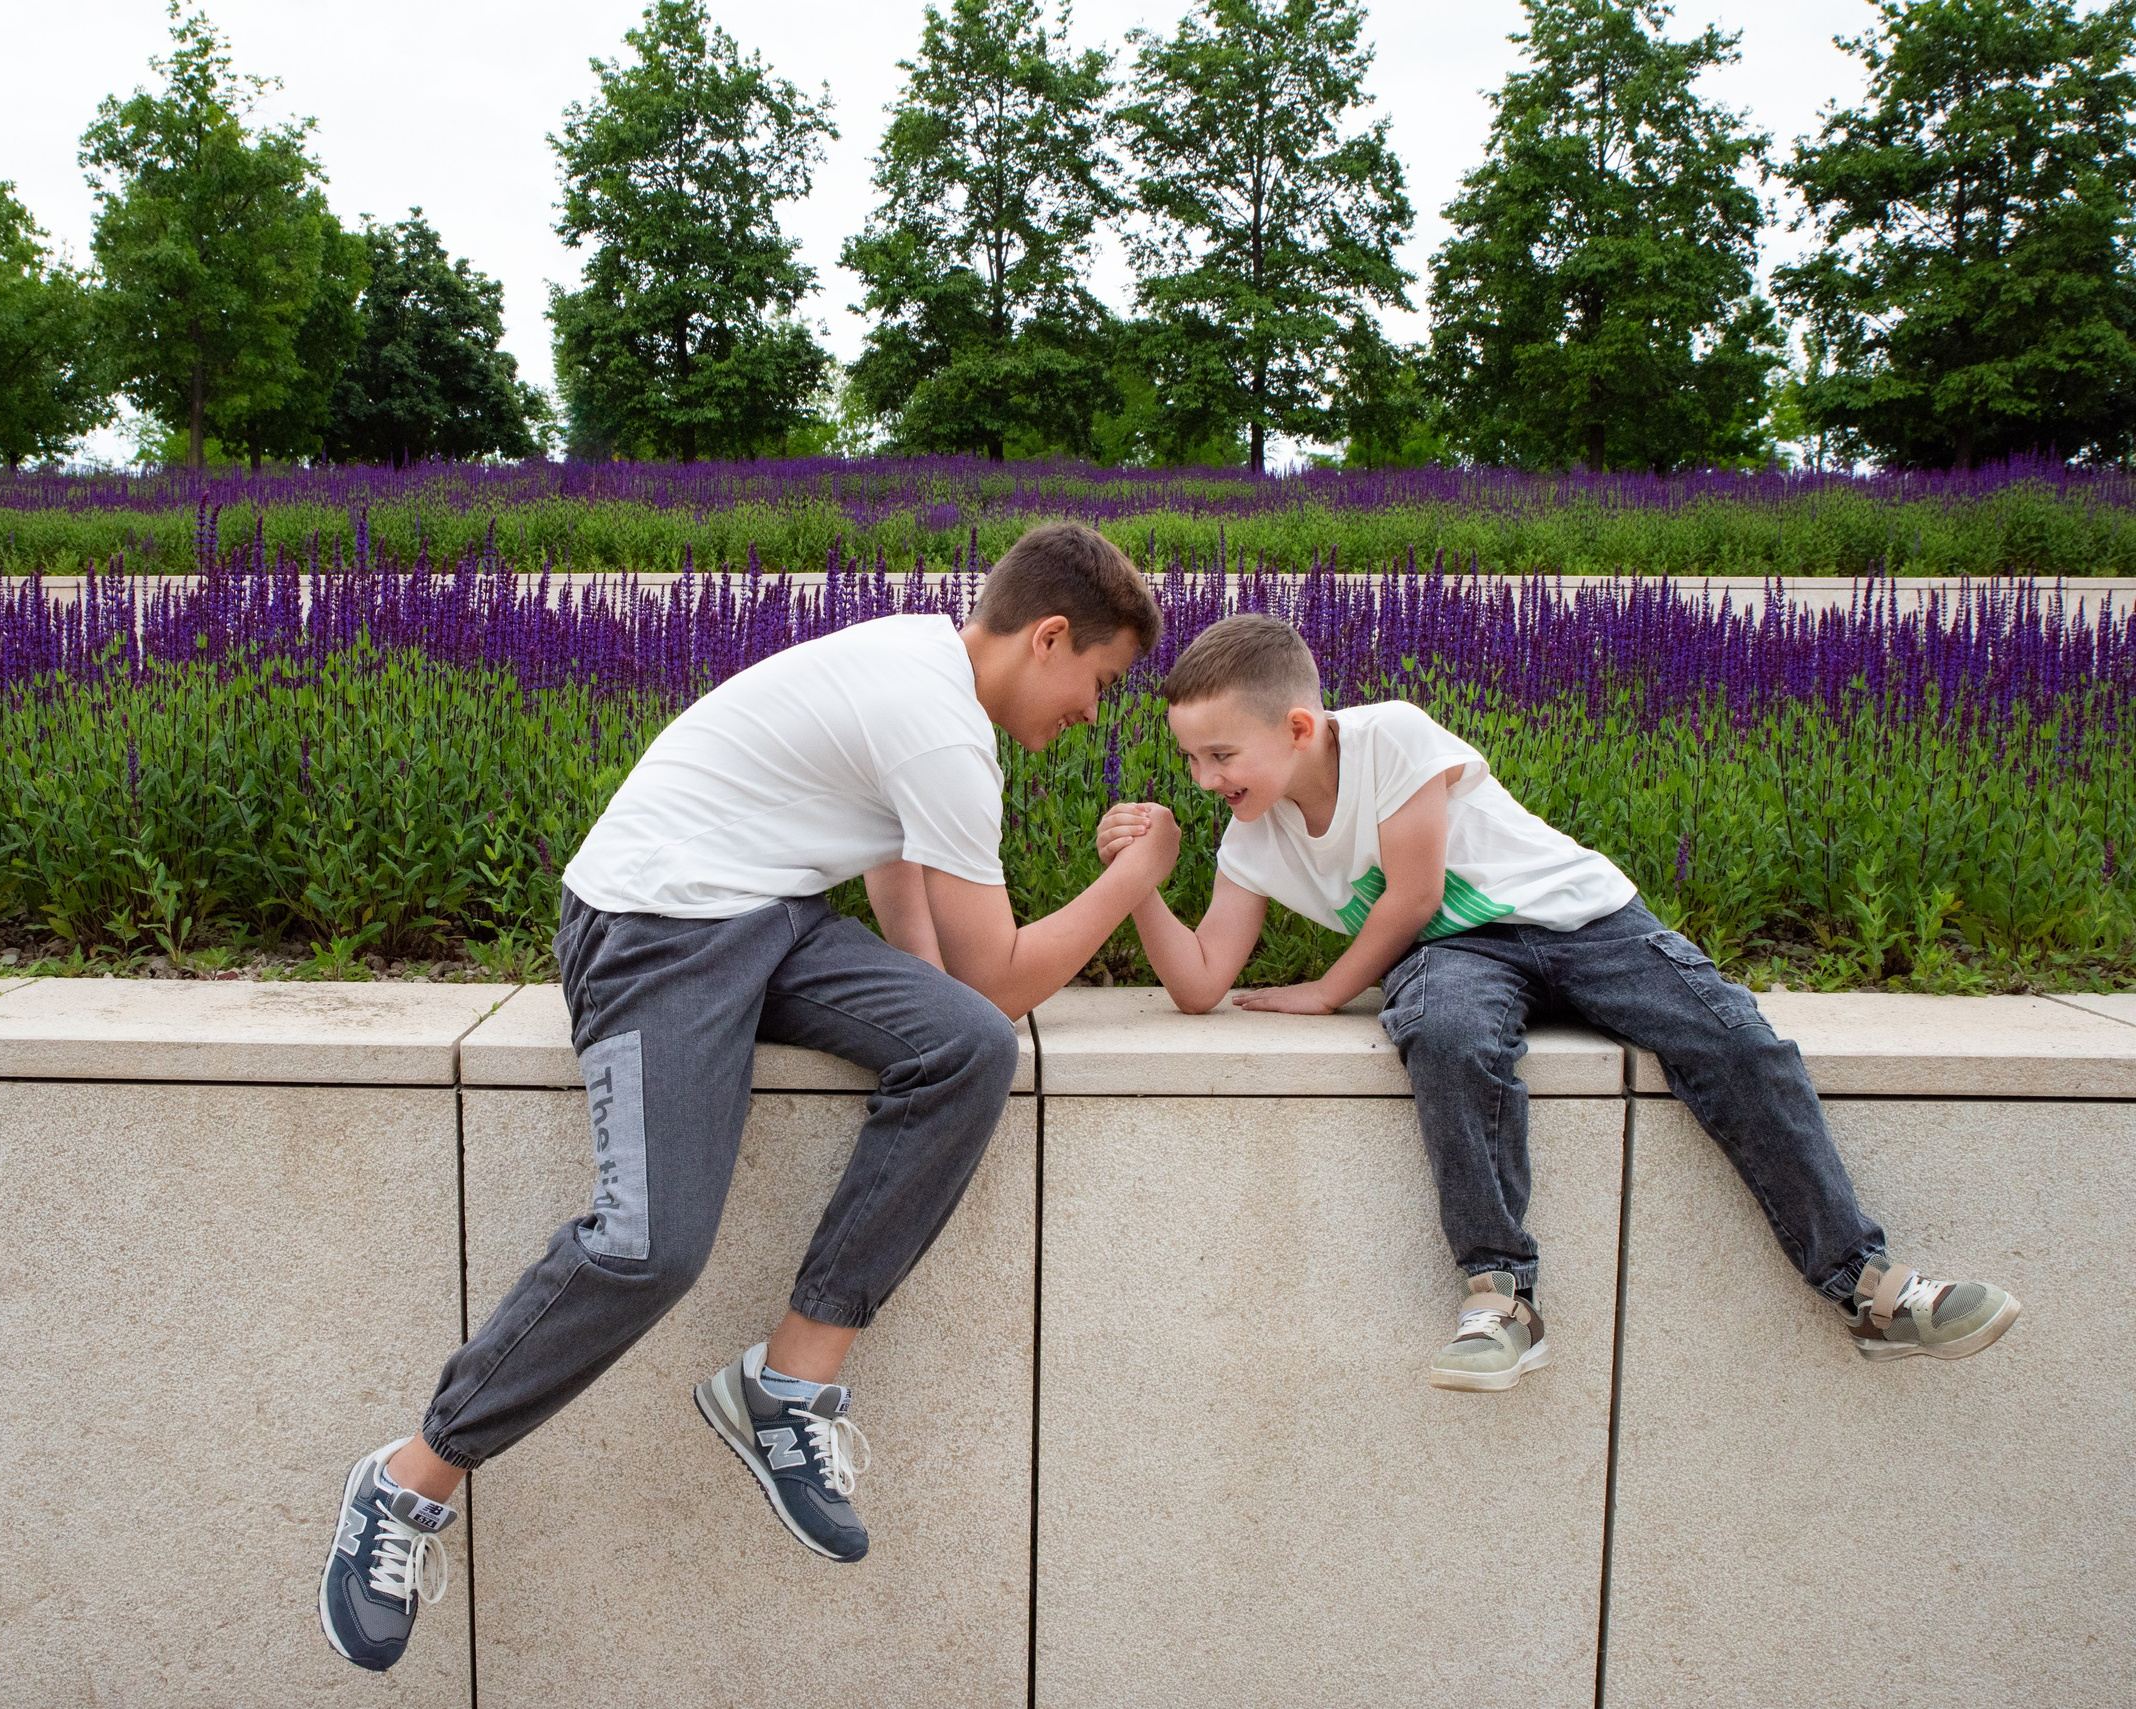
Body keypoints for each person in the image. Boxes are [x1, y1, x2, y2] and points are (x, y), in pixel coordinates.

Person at [320, 523, 1180, 1671]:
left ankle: (786, 1382)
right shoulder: (938, 724)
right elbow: (1005, 970)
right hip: (652, 931)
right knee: (646, 1245)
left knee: (967, 1049)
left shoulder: (923, 672)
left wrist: (922, 1021)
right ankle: (409, 1478)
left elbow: (908, 897)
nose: (1093, 713)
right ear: (1051, 635)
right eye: (1100, 682)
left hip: (770, 918)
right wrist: (1135, 873)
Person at [1098, 611, 2020, 1394]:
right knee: (1449, 1035)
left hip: (1582, 917)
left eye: (1221, 754)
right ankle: (1500, 1295)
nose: (1206, 779)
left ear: (1299, 727)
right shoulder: (1250, 840)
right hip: (1458, 955)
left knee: (1733, 1040)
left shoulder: (1390, 735)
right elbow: (1202, 981)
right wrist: (1139, 878)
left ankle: (1869, 1281)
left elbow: (1413, 894)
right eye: (1190, 760)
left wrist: (1331, 990)